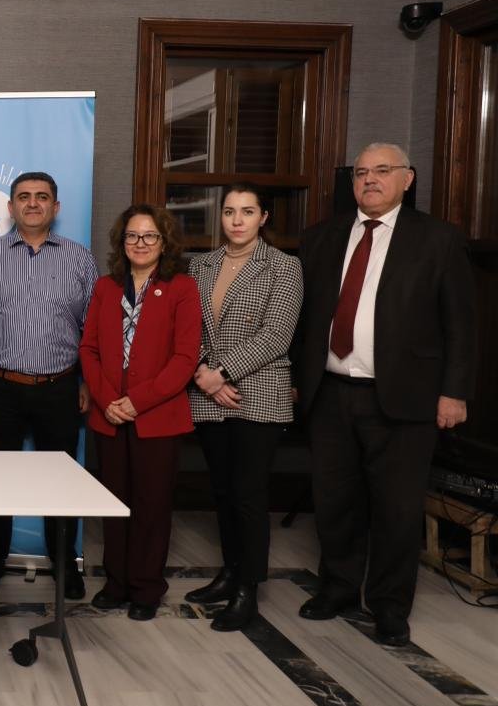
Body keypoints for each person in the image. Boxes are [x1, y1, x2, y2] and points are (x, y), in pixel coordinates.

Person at [293, 142, 476, 646]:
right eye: (361, 173)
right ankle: (338, 588)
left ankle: (390, 606)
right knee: (334, 501)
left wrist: (454, 392)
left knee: (397, 509)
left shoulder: (438, 239)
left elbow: (461, 324)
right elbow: (307, 318)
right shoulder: (322, 237)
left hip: (405, 398)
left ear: (407, 178)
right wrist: (296, 379)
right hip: (330, 393)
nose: (370, 180)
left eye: (382, 170)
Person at [0, 172, 99, 597]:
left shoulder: (80, 259)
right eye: (23, 197)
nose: (32, 203)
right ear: (10, 207)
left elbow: (92, 329)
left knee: (60, 479)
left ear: (55, 207)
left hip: (59, 386)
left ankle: (64, 563)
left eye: (42, 197)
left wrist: (85, 379)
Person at [185, 184, 303, 631]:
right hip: (209, 394)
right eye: (230, 211)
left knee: (249, 495)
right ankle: (229, 572)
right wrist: (203, 373)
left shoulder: (284, 267)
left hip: (258, 393)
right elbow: (189, 327)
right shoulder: (201, 265)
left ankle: (247, 590)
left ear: (263, 218)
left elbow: (276, 336)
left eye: (247, 211)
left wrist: (221, 373)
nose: (237, 220)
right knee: (221, 491)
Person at [80, 205, 200, 621]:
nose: (140, 243)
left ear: (164, 242)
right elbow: (88, 349)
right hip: (110, 414)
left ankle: (146, 587)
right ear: (122, 242)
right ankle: (116, 583)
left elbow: (185, 358)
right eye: (132, 235)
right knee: (114, 503)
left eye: (150, 236)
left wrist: (138, 401)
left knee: (151, 504)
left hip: (157, 416)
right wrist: (107, 399)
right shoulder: (106, 287)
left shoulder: (181, 287)